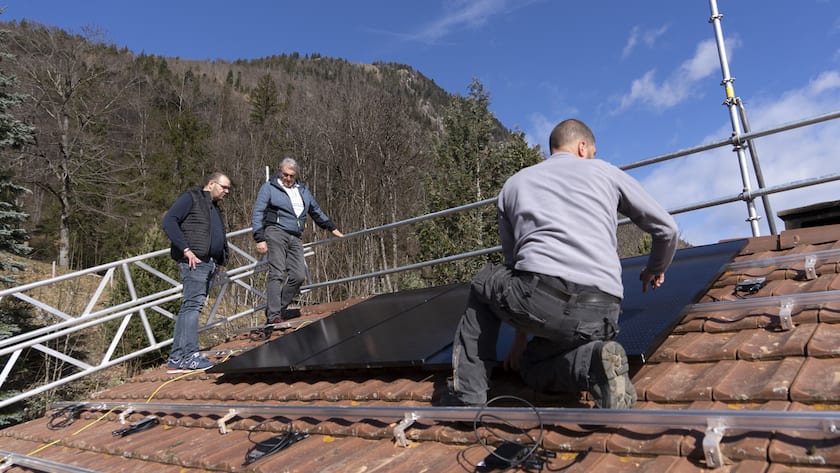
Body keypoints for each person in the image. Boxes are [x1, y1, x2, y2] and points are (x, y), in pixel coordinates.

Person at [443, 119, 678, 409]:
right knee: (531, 365)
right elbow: (667, 229)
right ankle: (592, 361)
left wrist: (520, 335)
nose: (591, 157)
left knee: (484, 282)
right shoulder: (606, 172)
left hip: (541, 302)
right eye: (592, 152)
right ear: (582, 147)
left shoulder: (516, 183)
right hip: (603, 313)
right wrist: (655, 268)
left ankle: (467, 396)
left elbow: (514, 267)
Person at [252, 157, 343, 325]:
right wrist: (259, 238)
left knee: (299, 275)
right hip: (275, 232)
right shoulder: (269, 188)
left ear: (295, 176)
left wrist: (331, 227)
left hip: (296, 236)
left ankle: (278, 308)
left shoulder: (302, 190)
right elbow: (258, 212)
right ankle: (273, 315)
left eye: (291, 176)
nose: (287, 178)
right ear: (280, 172)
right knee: (277, 272)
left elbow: (315, 211)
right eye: (285, 174)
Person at [161, 172, 231, 373]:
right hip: (194, 262)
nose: (226, 192)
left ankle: (177, 358)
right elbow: (169, 222)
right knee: (193, 306)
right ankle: (190, 356)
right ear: (211, 184)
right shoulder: (191, 198)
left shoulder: (214, 208)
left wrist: (219, 260)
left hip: (208, 263)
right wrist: (186, 249)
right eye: (223, 187)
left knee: (189, 307)